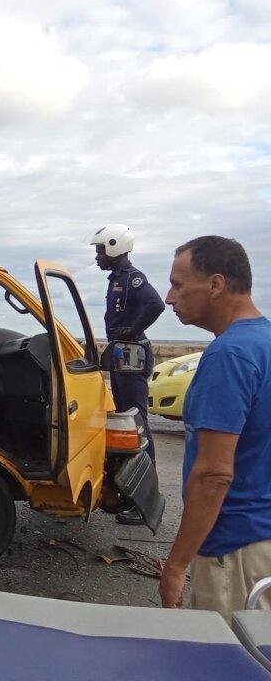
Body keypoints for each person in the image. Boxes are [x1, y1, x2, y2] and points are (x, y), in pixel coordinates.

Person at [159, 236, 271, 621]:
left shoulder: (230, 354)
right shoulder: (265, 342)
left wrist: (176, 565)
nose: (170, 298)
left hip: (234, 550)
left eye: (177, 284)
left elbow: (214, 475)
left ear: (216, 284)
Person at [90, 223, 165, 525]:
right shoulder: (116, 280)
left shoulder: (133, 280)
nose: (97, 256)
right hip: (124, 356)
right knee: (127, 421)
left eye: (100, 250)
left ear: (113, 247)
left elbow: (155, 305)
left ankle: (146, 497)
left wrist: (132, 332)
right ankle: (131, 492)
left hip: (132, 356)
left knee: (138, 424)